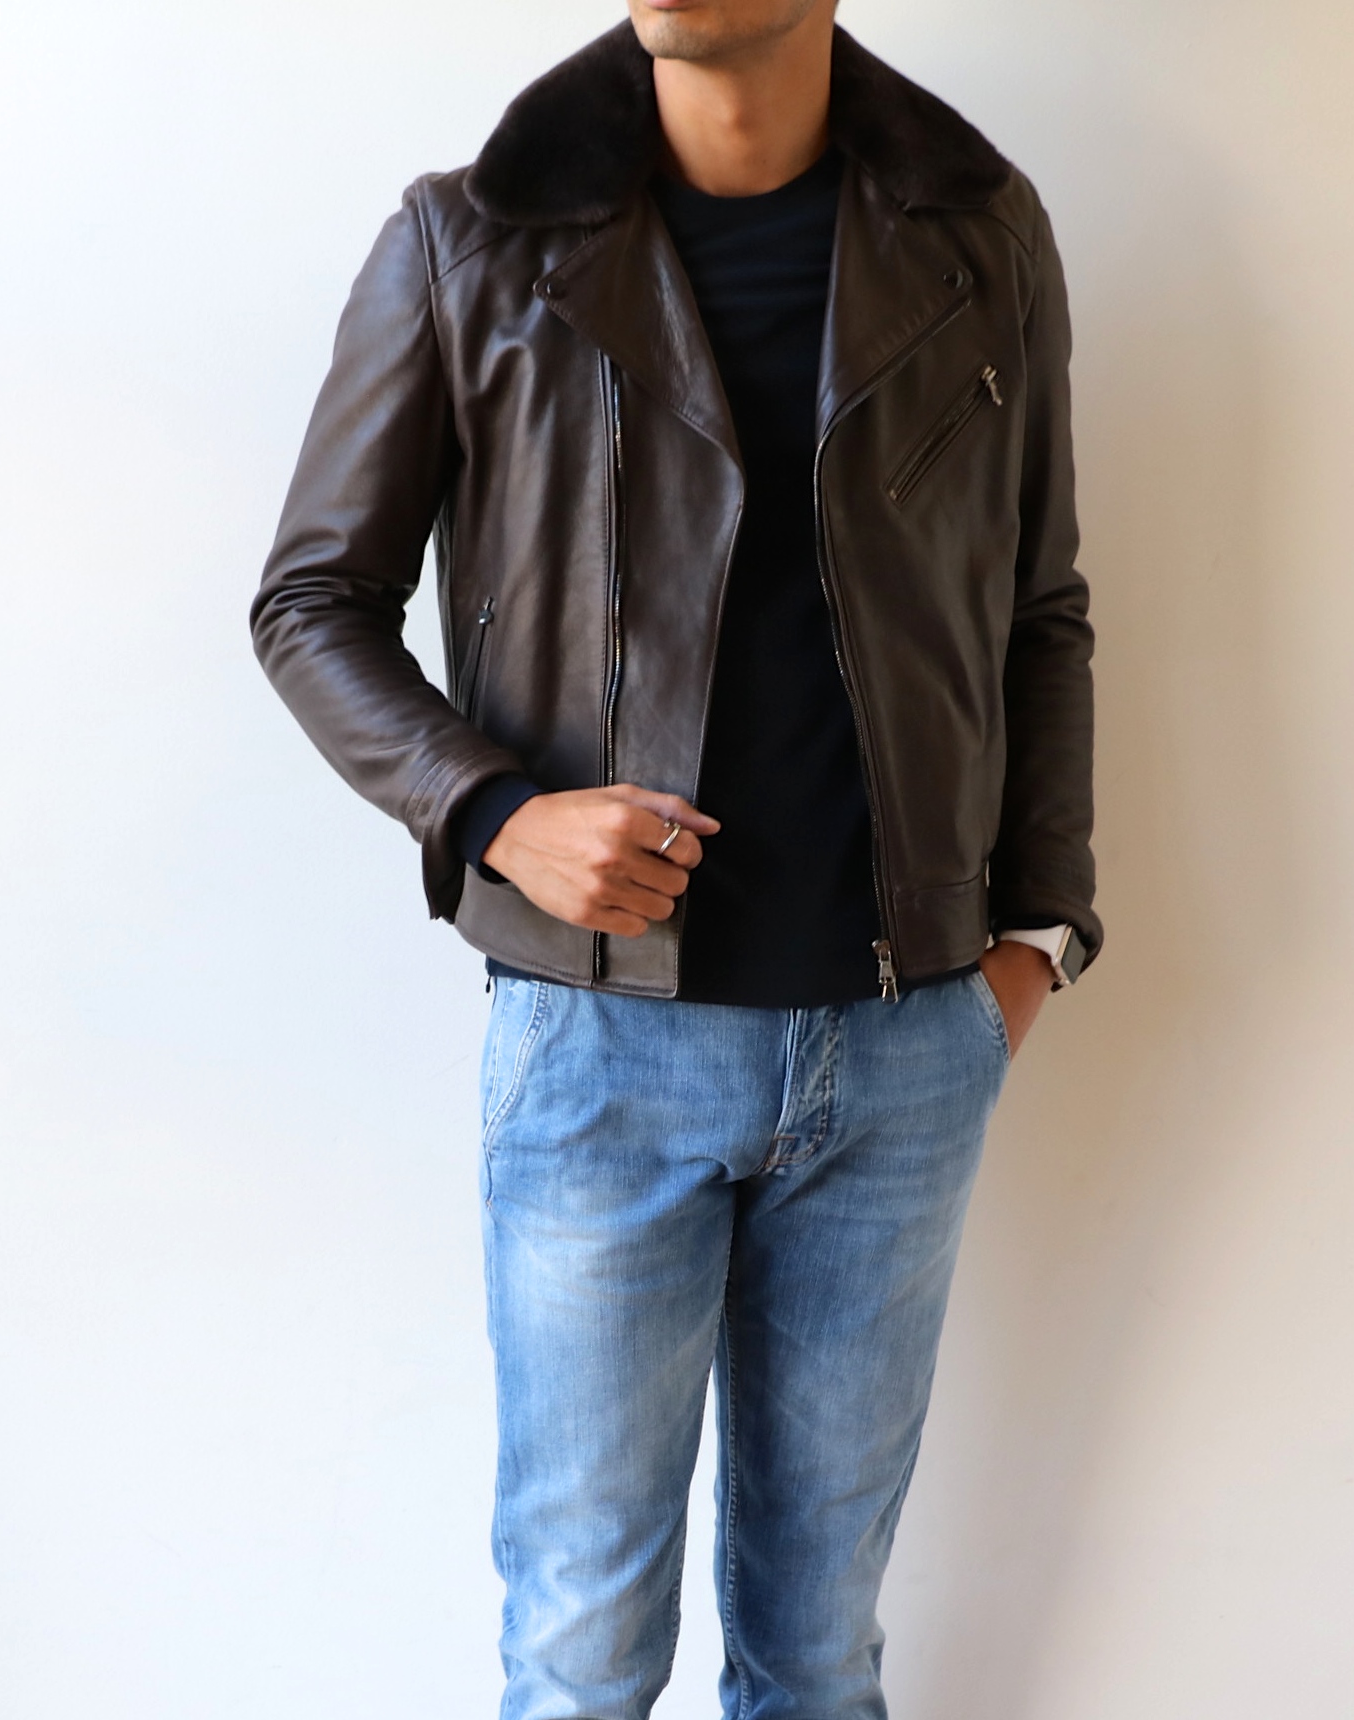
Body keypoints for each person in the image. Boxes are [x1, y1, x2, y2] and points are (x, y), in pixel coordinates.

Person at [250, 2, 1102, 1713]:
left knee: (819, 1655)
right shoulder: (469, 241)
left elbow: (1040, 608)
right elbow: (313, 603)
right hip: (599, 1051)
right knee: (582, 1654)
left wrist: (1037, 939)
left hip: (904, 1051)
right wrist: (495, 813)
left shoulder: (979, 230)